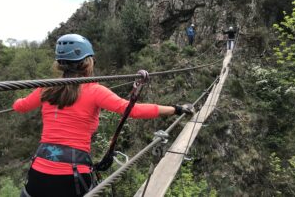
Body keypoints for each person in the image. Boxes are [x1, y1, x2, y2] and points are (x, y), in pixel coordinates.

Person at [14, 34, 195, 197]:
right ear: (88, 61)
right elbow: (134, 110)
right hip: (72, 175)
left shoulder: (45, 88)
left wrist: (22, 98)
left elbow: (19, 107)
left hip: (38, 173)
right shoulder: (95, 91)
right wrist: (176, 109)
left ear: (60, 63)